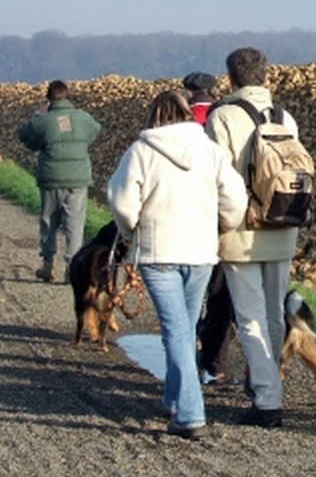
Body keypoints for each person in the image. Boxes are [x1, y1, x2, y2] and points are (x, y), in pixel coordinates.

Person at [107, 90, 247, 439]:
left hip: (159, 253)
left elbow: (123, 204)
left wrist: (130, 230)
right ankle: (173, 395)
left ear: (153, 116)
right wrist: (221, 226)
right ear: (187, 115)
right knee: (183, 327)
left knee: (177, 331)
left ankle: (189, 413)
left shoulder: (140, 151)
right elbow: (235, 198)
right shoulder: (211, 151)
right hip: (200, 252)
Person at [204, 47, 301, 428]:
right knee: (275, 312)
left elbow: (218, 178)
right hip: (282, 224)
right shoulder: (285, 117)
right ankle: (268, 382)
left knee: (249, 317)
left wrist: (221, 226)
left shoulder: (223, 117)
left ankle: (267, 398)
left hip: (242, 231)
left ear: (230, 80)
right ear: (266, 77)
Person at [17, 80, 102, 284]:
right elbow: (96, 130)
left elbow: (25, 136)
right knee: (75, 224)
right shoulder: (82, 118)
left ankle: (48, 265)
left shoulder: (44, 120)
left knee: (49, 222)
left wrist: (38, 116)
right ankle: (71, 270)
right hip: (78, 178)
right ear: (67, 96)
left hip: (51, 178)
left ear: (49, 98)